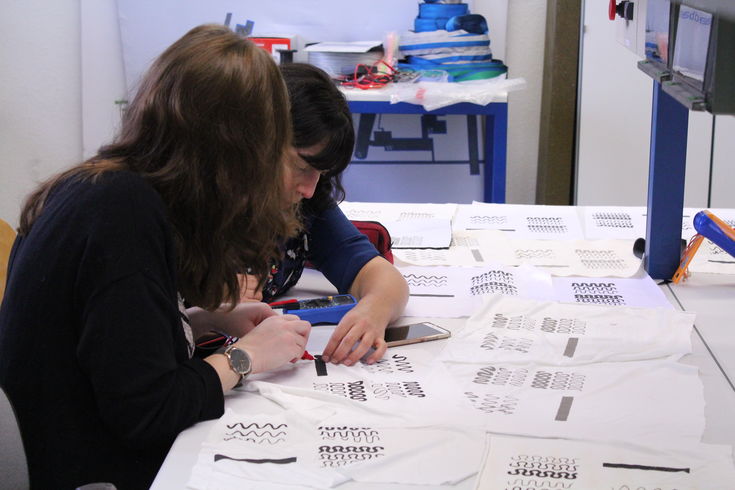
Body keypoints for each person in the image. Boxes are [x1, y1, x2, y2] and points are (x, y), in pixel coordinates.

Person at [0, 25, 312, 489]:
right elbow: (148, 411)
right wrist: (245, 358)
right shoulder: (122, 214)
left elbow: (108, 339)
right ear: (238, 154)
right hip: (91, 470)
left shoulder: (102, 184)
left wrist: (200, 320)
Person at [239, 63, 409, 367]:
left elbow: (383, 277)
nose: (309, 188)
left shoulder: (304, 205)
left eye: (321, 172)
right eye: (302, 168)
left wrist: (373, 311)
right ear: (258, 144)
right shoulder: (201, 211)